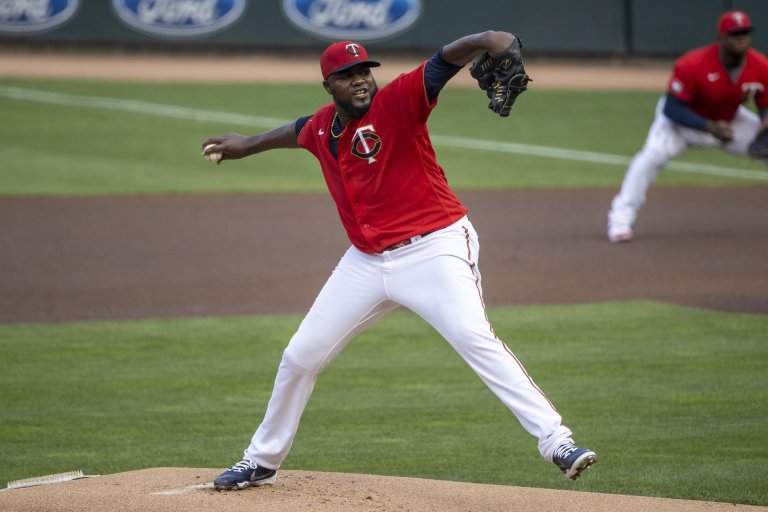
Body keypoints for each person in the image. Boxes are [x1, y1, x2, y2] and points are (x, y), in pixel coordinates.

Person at [201, 30, 597, 491]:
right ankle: (262, 461)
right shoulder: (323, 127)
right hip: (366, 263)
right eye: (347, 76)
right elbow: (295, 131)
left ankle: (556, 441)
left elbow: (442, 62)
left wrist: (490, 39)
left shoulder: (400, 102)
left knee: (474, 337)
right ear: (329, 85)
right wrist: (246, 145)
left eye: (364, 71)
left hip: (436, 248)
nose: (360, 81)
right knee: (300, 356)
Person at [607, 10, 768, 243]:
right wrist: (709, 126)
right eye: (735, 34)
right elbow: (672, 109)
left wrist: (765, 122)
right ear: (721, 38)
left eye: (745, 33)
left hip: (730, 122)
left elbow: (765, 103)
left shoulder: (761, 66)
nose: (742, 38)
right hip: (681, 125)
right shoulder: (693, 64)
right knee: (651, 157)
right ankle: (620, 220)